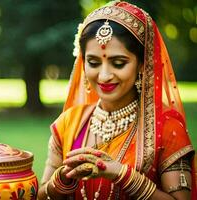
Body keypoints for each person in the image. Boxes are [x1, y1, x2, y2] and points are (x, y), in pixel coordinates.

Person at [37, 1, 196, 200]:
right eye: (93, 62)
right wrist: (62, 179)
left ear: (142, 64)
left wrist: (123, 175)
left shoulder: (167, 128)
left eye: (118, 63)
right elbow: (41, 195)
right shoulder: (68, 123)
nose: (104, 76)